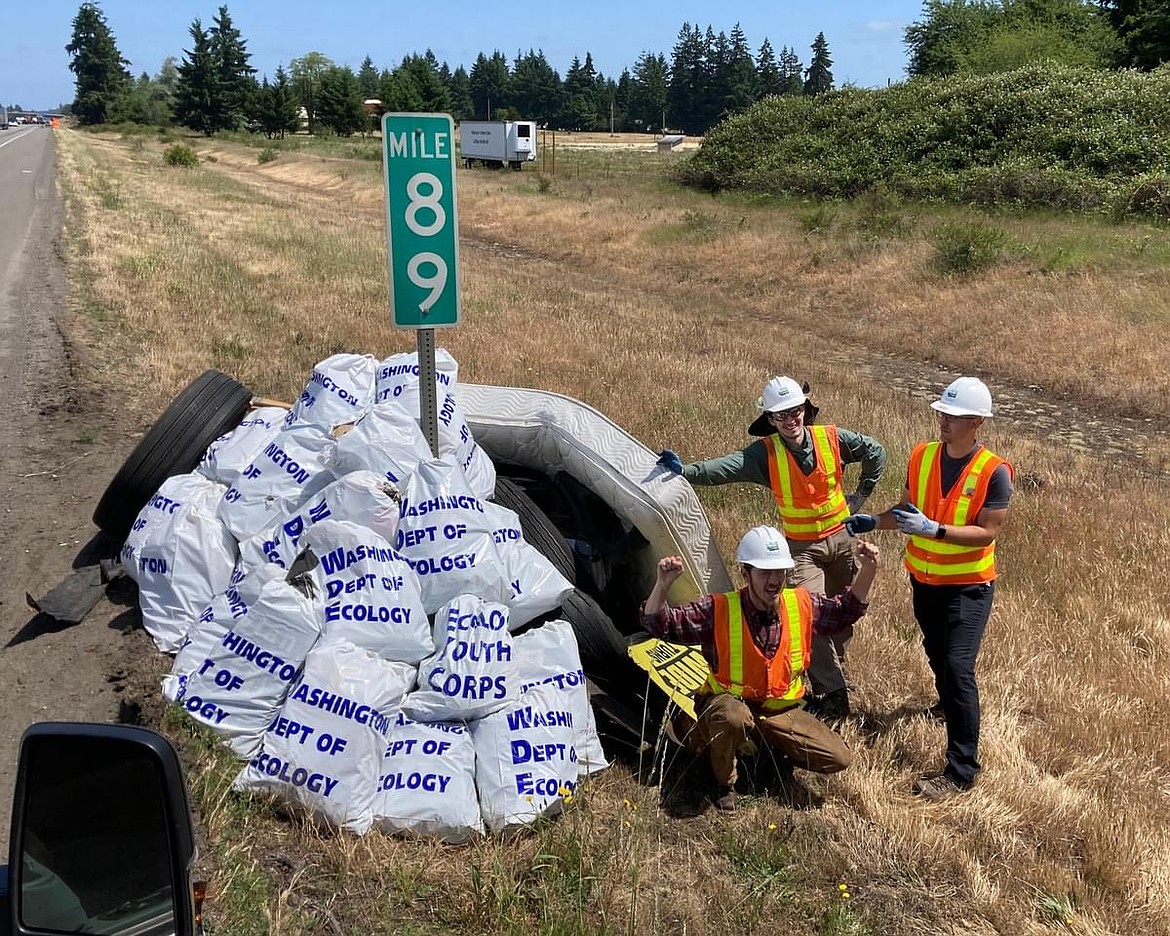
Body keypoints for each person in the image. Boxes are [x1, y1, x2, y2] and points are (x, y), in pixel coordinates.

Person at [657, 376, 886, 719]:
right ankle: (833, 694)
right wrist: (685, 471)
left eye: (795, 411)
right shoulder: (765, 454)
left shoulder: (833, 439)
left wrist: (861, 494)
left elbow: (876, 452)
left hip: (844, 540)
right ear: (771, 420)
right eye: (780, 415)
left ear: (805, 411)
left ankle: (836, 670)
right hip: (802, 551)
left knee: (841, 617)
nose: (790, 420)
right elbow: (722, 469)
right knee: (809, 617)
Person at [844, 376, 1013, 802]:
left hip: (968, 587)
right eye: (942, 412)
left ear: (976, 421)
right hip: (925, 580)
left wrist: (934, 529)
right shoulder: (921, 455)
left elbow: (987, 532)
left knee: (958, 668)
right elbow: (906, 510)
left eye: (954, 416)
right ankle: (947, 707)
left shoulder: (994, 472)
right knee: (936, 654)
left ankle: (961, 769)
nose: (944, 421)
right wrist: (875, 522)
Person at [640, 525, 880, 812]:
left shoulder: (800, 604)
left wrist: (868, 570)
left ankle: (767, 751)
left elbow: (845, 612)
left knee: (838, 757)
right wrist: (663, 585)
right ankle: (722, 782)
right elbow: (660, 624)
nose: (774, 580)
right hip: (728, 706)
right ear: (745, 573)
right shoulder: (719, 609)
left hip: (777, 710)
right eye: (765, 572)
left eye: (780, 571)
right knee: (732, 717)